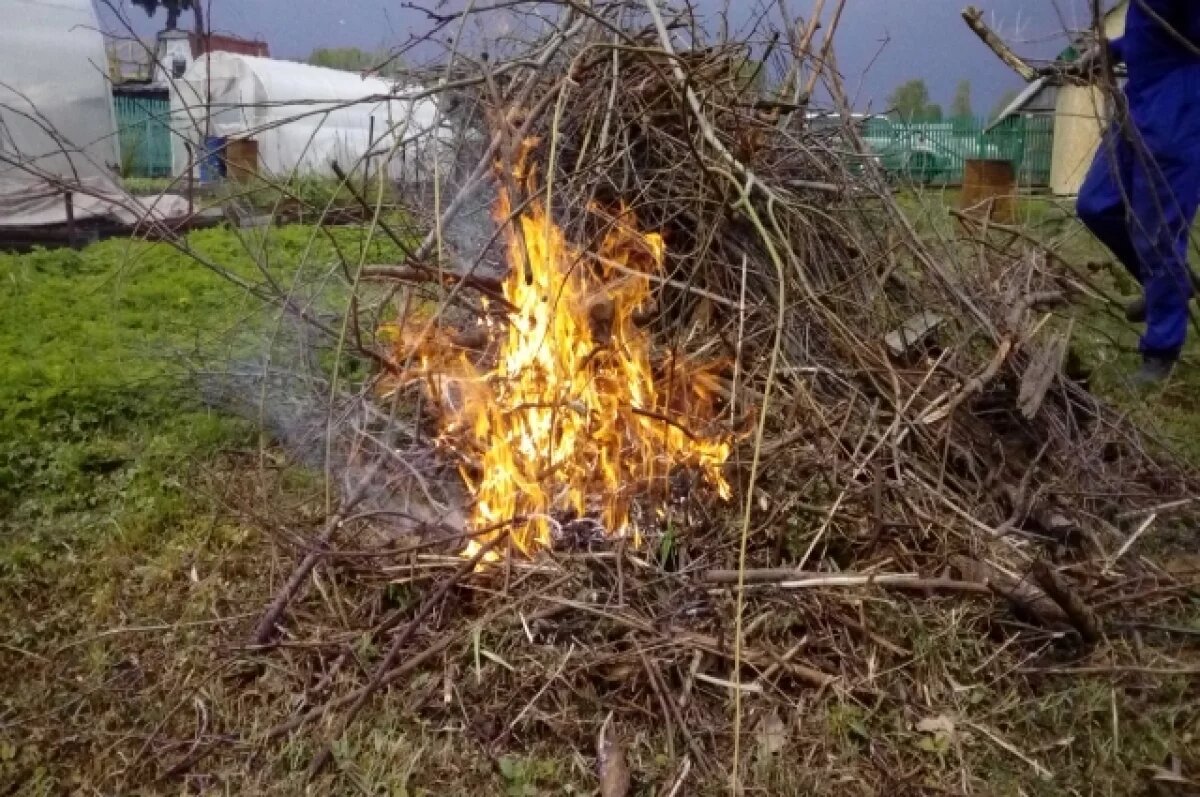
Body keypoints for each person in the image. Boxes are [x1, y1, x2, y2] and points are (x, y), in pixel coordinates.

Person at [1076, 0, 1200, 384]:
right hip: (1137, 102)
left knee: (1159, 234)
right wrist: (1112, 49)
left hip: (1176, 112)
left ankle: (1160, 352)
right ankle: (1171, 286)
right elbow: (1154, 34)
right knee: (1095, 205)